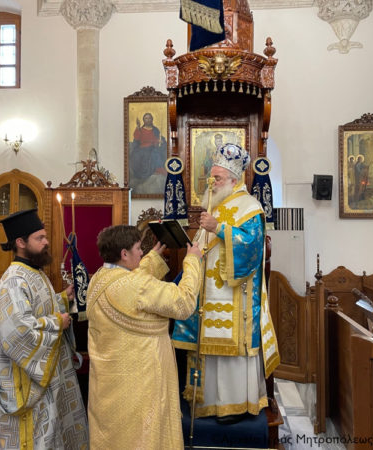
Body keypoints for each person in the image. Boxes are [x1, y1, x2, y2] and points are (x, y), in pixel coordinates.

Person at [172, 143, 280, 424]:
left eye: (217, 178)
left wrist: (218, 228)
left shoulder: (250, 207)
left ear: (233, 179)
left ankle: (234, 405)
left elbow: (252, 246)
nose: (212, 183)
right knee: (208, 350)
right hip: (208, 293)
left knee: (230, 353)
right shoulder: (217, 205)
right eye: (211, 178)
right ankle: (209, 402)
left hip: (235, 298)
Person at [86, 225, 202, 449]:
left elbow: (131, 281)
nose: (142, 253)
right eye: (139, 248)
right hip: (140, 384)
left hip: (109, 385)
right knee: (142, 437)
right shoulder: (137, 286)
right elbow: (184, 303)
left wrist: (152, 259)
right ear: (124, 253)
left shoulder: (98, 278)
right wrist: (192, 261)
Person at [0, 209, 88, 450]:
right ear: (20, 242)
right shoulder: (14, 281)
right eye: (40, 238)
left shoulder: (34, 272)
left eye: (45, 236)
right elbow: (18, 331)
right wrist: (57, 323)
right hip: (27, 382)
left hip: (47, 379)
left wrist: (63, 298)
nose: (46, 242)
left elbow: (37, 309)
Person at [130, 112, 167, 194]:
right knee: (146, 154)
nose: (148, 120)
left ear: (152, 119)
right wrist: (138, 127)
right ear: (143, 120)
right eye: (146, 118)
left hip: (152, 147)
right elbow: (136, 138)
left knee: (156, 152)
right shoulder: (140, 129)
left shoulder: (155, 130)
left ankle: (158, 169)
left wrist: (161, 141)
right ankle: (147, 172)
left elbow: (159, 139)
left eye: (149, 118)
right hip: (142, 148)